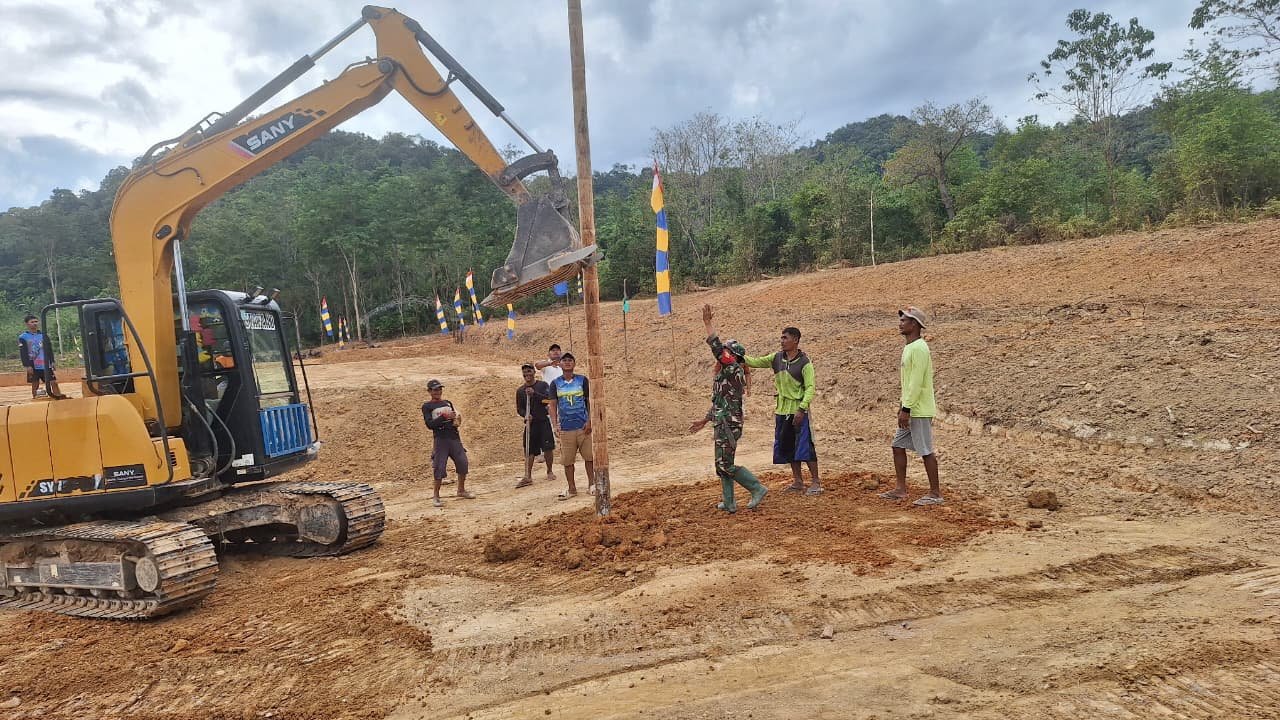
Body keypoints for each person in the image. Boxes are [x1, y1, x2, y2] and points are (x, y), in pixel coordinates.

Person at [689, 305, 767, 513]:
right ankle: (729, 502)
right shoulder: (726, 374)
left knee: (724, 464)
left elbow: (717, 348)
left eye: (726, 352)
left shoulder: (732, 369)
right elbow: (719, 402)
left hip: (728, 425)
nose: (721, 356)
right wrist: (705, 420)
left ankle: (757, 488)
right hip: (723, 422)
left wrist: (708, 324)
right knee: (722, 463)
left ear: (733, 357)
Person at [744, 325, 821, 495]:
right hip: (782, 411)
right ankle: (798, 481)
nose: (782, 341)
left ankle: (816, 482)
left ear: (796, 340)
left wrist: (802, 409)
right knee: (788, 446)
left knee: (805, 446)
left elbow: (810, 388)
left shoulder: (805, 363)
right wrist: (736, 354)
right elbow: (754, 361)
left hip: (798, 411)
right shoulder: (777, 358)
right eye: (781, 337)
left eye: (785, 338)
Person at [880, 306, 942, 506]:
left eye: (904, 320)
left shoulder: (919, 348)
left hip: (918, 409)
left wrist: (906, 409)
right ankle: (900, 489)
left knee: (925, 450)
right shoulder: (910, 347)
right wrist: (903, 406)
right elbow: (908, 383)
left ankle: (935, 493)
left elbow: (916, 382)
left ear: (914, 324)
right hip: (910, 406)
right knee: (898, 445)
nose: (900, 324)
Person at [421, 379, 475, 507]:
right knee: (439, 467)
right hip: (441, 439)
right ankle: (436, 496)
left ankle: (461, 490)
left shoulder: (447, 402)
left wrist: (456, 419)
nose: (438, 392)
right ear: (429, 391)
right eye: (435, 390)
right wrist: (444, 417)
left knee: (463, 462)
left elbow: (455, 418)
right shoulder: (427, 406)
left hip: (454, 437)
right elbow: (430, 424)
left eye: (439, 389)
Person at [548, 352, 593, 500]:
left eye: (570, 360)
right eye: (564, 360)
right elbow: (552, 405)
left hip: (583, 427)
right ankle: (572, 488)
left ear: (574, 363)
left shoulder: (582, 380)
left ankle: (592, 485)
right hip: (566, 428)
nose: (567, 362)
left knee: (589, 457)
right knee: (568, 461)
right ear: (560, 364)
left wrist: (590, 421)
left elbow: (589, 401)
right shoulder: (555, 383)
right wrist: (555, 425)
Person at [516, 363, 557, 488]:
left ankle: (549, 471)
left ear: (534, 372)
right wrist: (525, 415)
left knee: (548, 448)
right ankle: (528, 475)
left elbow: (548, 400)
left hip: (543, 421)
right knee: (529, 449)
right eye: (524, 372)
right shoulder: (520, 391)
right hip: (531, 424)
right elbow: (519, 409)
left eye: (529, 371)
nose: (527, 374)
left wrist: (535, 394)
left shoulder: (542, 385)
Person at [18, 315, 66, 400]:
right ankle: (36, 398)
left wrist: (52, 361)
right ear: (27, 324)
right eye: (32, 322)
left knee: (53, 382)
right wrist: (27, 365)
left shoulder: (44, 335)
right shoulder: (23, 337)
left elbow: (49, 349)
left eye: (36, 321)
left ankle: (58, 397)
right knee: (35, 383)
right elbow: (23, 353)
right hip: (33, 364)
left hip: (45, 363)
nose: (35, 323)